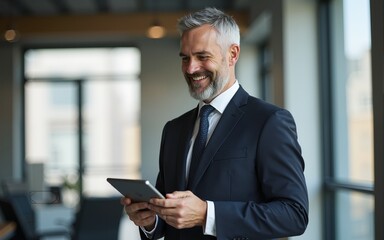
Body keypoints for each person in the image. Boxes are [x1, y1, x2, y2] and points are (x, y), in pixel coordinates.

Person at [121, 7, 308, 240]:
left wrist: (207, 214)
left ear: (233, 54)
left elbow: (294, 214)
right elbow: (168, 216)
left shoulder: (269, 122)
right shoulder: (173, 130)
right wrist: (150, 220)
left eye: (202, 56)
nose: (191, 68)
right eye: (185, 58)